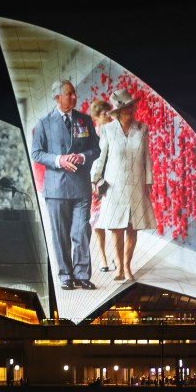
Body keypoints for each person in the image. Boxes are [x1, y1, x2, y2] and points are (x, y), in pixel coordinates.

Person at [30, 79, 101, 291]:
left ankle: (81, 274)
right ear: (57, 98)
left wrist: (81, 156)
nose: (74, 97)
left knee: (81, 232)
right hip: (56, 188)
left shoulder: (85, 120)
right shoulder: (44, 123)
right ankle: (65, 275)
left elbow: (95, 150)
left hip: (81, 187)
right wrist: (59, 160)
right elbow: (36, 153)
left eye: (74, 93)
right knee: (60, 234)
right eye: (69, 94)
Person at [90, 87, 156, 282]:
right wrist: (95, 178)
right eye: (126, 107)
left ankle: (127, 267)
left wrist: (148, 182)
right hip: (114, 186)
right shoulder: (108, 130)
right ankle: (119, 267)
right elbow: (100, 157)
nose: (130, 109)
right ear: (117, 111)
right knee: (116, 227)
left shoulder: (141, 129)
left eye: (131, 106)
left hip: (136, 184)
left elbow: (147, 157)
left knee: (132, 227)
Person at [88, 98, 114, 273]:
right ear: (100, 115)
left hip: (112, 180)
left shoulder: (113, 132)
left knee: (113, 219)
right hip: (97, 181)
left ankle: (111, 256)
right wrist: (94, 180)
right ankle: (104, 258)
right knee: (98, 221)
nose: (110, 116)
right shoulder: (93, 135)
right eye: (107, 113)